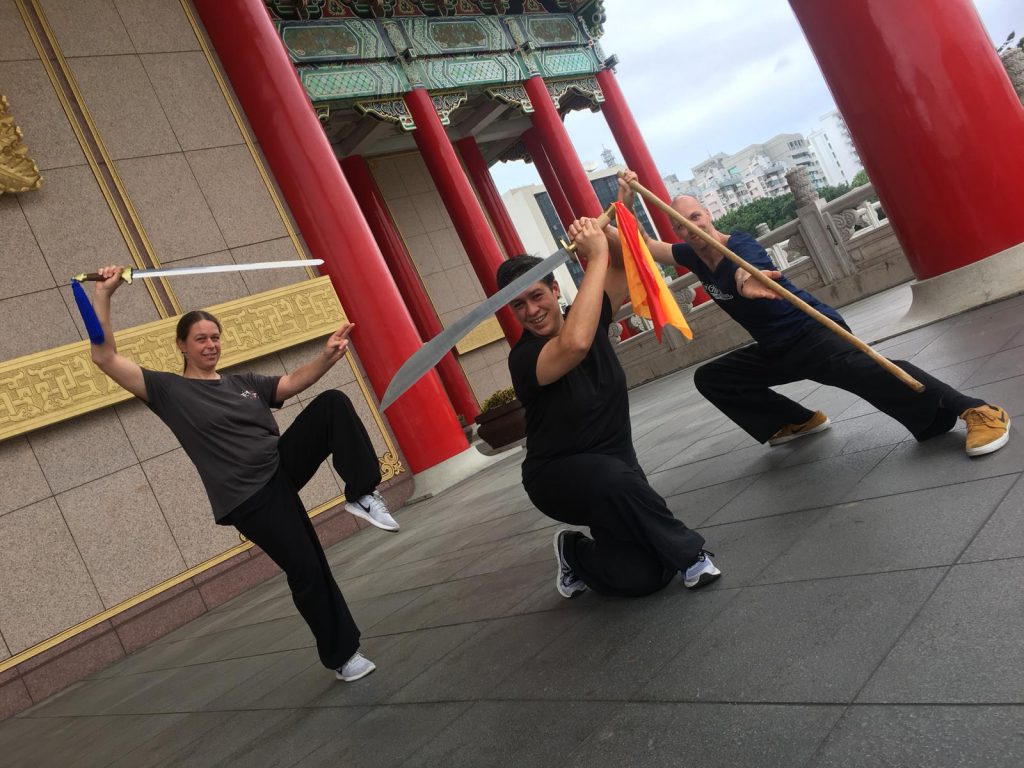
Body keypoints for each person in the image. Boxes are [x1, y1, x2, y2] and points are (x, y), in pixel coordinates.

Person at [88, 265, 399, 683]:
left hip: (279, 467)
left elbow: (290, 383)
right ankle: (343, 657)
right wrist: (104, 294)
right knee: (307, 567)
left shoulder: (243, 383)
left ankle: (361, 494)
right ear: (182, 345)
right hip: (248, 498)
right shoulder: (169, 391)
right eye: (201, 338)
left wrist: (326, 357)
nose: (210, 345)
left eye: (215, 337)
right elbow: (104, 357)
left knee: (331, 404)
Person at [613, 170, 1011, 457]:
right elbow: (643, 245)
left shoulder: (740, 244)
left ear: (707, 215)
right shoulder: (690, 253)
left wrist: (747, 283)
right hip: (777, 348)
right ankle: (798, 420)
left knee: (874, 371)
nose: (690, 230)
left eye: (695, 219)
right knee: (714, 378)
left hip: (811, 332)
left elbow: (748, 271)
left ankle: (977, 410)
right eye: (681, 227)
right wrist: (626, 201)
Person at [497, 219, 721, 600]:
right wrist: (596, 256)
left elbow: (621, 265)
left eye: (537, 296)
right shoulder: (524, 359)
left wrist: (604, 232)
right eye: (519, 305)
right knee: (614, 481)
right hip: (558, 476)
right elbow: (575, 344)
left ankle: (574, 552)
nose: (532, 310)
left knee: (644, 577)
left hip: (616, 470)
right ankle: (692, 556)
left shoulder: (590, 318)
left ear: (555, 289)